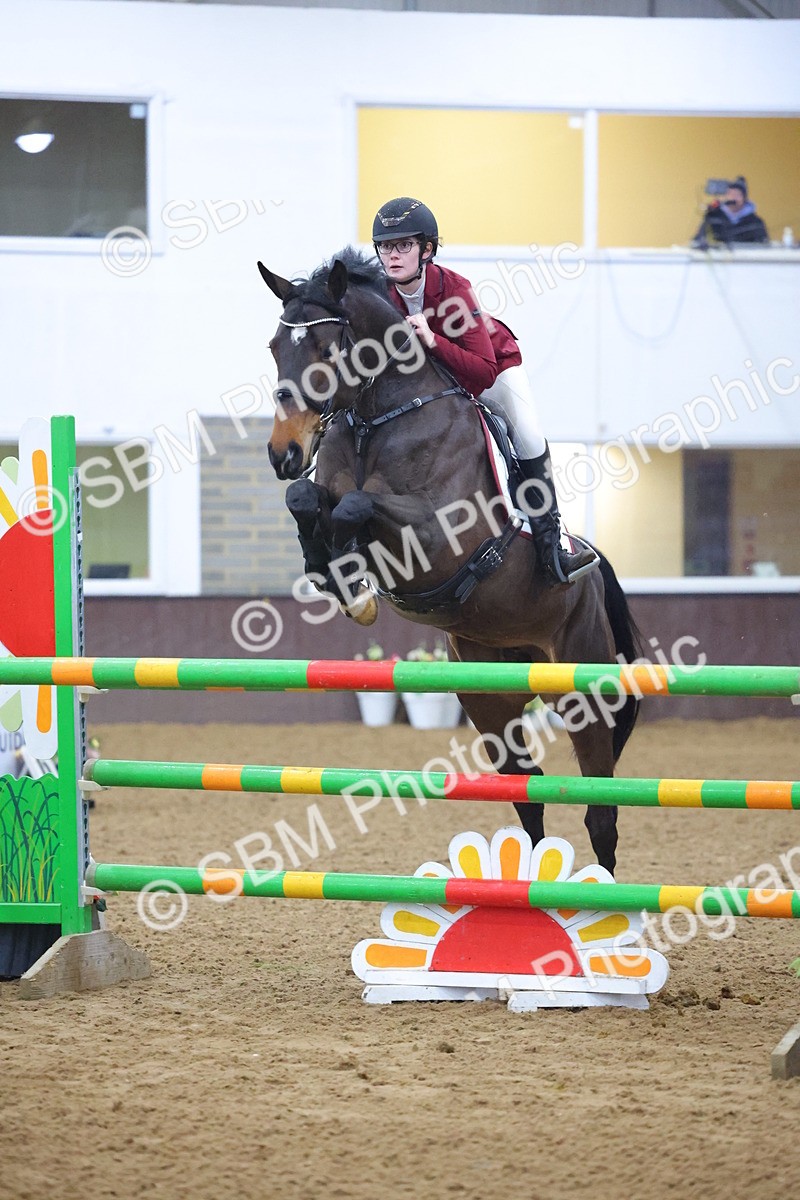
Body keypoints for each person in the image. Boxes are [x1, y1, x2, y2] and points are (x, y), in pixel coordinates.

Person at [372, 196, 597, 588]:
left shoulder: (455, 289)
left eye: (403, 245)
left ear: (426, 249)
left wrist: (432, 341)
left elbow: (483, 372)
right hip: (436, 383)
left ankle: (551, 544)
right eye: (386, 246)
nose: (393, 255)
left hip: (495, 369)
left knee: (526, 435)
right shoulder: (377, 296)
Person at [692, 176, 769, 247]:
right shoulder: (713, 217)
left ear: (744, 198)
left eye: (737, 195)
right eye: (730, 194)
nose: (733, 198)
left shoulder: (755, 222)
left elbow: (763, 244)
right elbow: (698, 240)